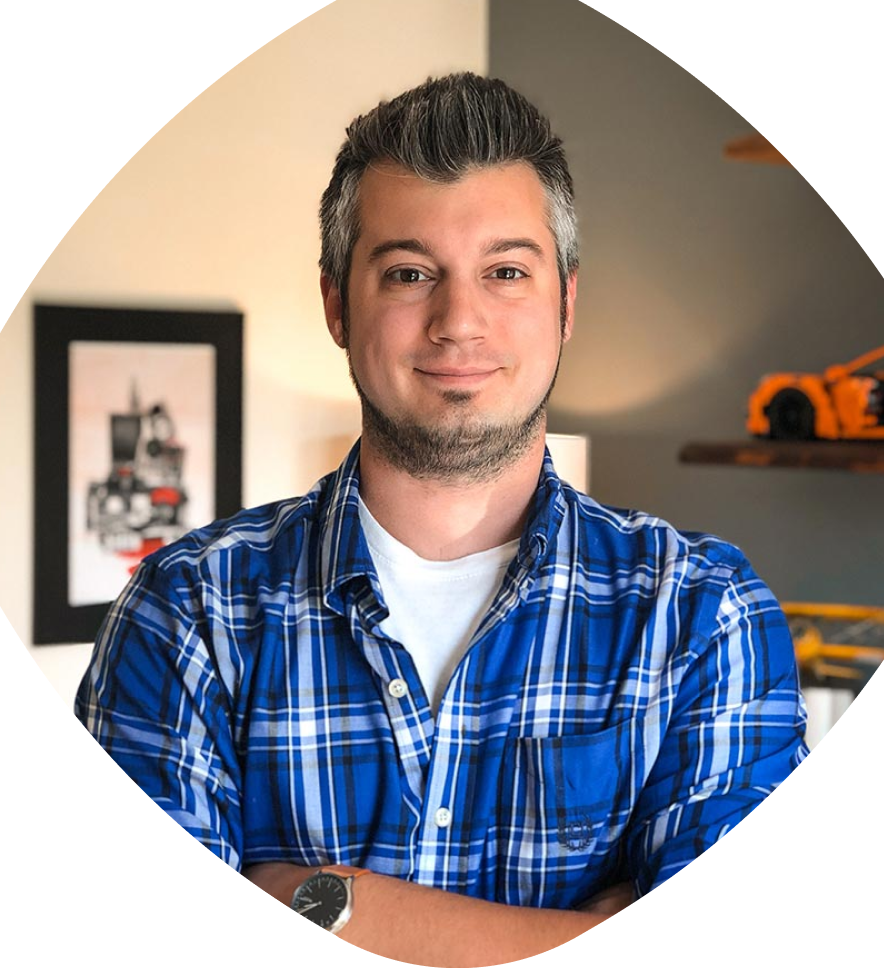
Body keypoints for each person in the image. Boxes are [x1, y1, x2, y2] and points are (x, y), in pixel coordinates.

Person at [75, 73, 808, 963]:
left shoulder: (702, 612)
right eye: (410, 273)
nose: (459, 321)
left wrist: (321, 902)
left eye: (506, 272)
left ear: (566, 303)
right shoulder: (188, 610)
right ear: (337, 304)